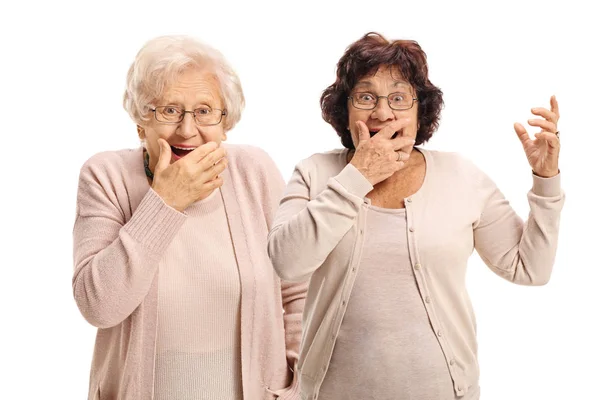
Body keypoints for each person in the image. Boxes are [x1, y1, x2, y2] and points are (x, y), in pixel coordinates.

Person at [267, 32, 565, 400]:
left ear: (419, 110)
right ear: (344, 110)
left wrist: (546, 179)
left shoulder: (462, 176)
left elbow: (530, 270)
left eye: (398, 98)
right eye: (365, 97)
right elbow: (287, 262)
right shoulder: (314, 173)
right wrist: (358, 176)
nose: (382, 112)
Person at [72, 35, 306, 400]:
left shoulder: (254, 172)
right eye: (168, 110)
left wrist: (292, 384)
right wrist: (165, 202)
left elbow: (300, 293)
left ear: (225, 122)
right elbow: (99, 306)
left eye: (204, 111)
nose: (187, 130)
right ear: (139, 122)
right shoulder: (106, 176)